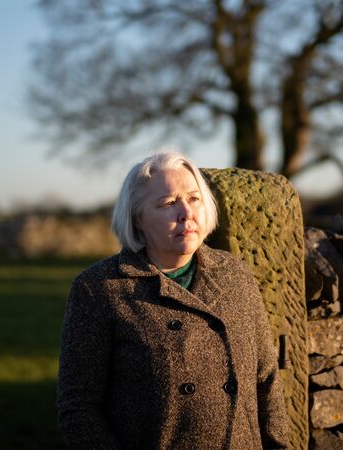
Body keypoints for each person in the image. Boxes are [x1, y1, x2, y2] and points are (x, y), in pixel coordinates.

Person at [56, 151, 289, 449]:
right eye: (168, 203)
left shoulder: (235, 274)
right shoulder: (100, 288)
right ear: (137, 218)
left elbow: (266, 379)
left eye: (193, 198)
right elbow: (78, 410)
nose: (186, 213)